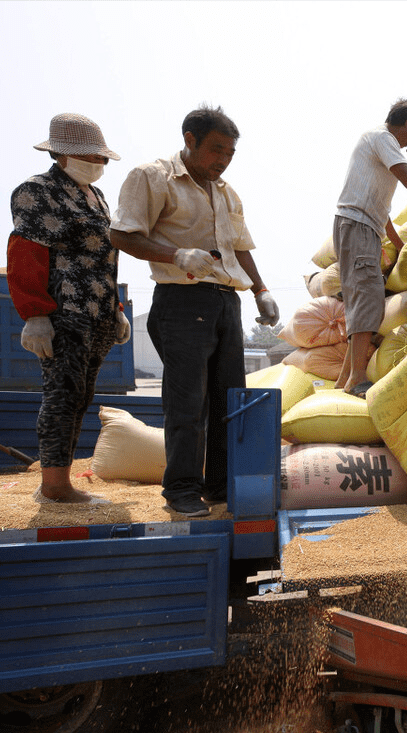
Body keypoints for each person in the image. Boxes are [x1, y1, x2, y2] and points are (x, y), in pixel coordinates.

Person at [110, 106, 279, 518]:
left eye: (230, 153)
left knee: (228, 402)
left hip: (225, 301)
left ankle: (219, 486)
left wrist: (260, 290)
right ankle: (182, 490)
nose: (222, 160)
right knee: (188, 403)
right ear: (190, 139)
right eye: (216, 150)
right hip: (182, 301)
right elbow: (121, 233)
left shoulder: (225, 191)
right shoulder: (152, 177)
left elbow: (239, 246)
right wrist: (176, 254)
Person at [7, 113, 128, 504]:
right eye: (91, 157)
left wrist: (118, 309)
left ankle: (61, 481)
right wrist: (35, 314)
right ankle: (54, 487)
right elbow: (25, 252)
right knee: (62, 393)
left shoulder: (96, 196)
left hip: (98, 313)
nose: (100, 165)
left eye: (103, 158)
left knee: (81, 395)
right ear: (61, 153)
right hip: (65, 312)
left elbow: (105, 258)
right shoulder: (36, 191)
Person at [333, 99, 407, 394]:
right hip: (358, 226)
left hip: (360, 226)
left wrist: (400, 244)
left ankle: (345, 379)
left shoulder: (376, 143)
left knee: (361, 300)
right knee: (368, 298)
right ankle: (358, 378)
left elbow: (380, 206)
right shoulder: (384, 138)